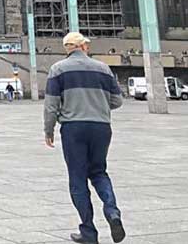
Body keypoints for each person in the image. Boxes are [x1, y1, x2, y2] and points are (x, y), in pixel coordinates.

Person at [44, 32, 125, 244]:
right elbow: (117, 101)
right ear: (83, 47)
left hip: (73, 128)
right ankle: (112, 212)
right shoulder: (103, 68)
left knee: (78, 179)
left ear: (67, 48)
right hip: (101, 127)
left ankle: (88, 232)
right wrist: (97, 104)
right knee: (99, 172)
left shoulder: (58, 69)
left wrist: (48, 130)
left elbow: (51, 105)